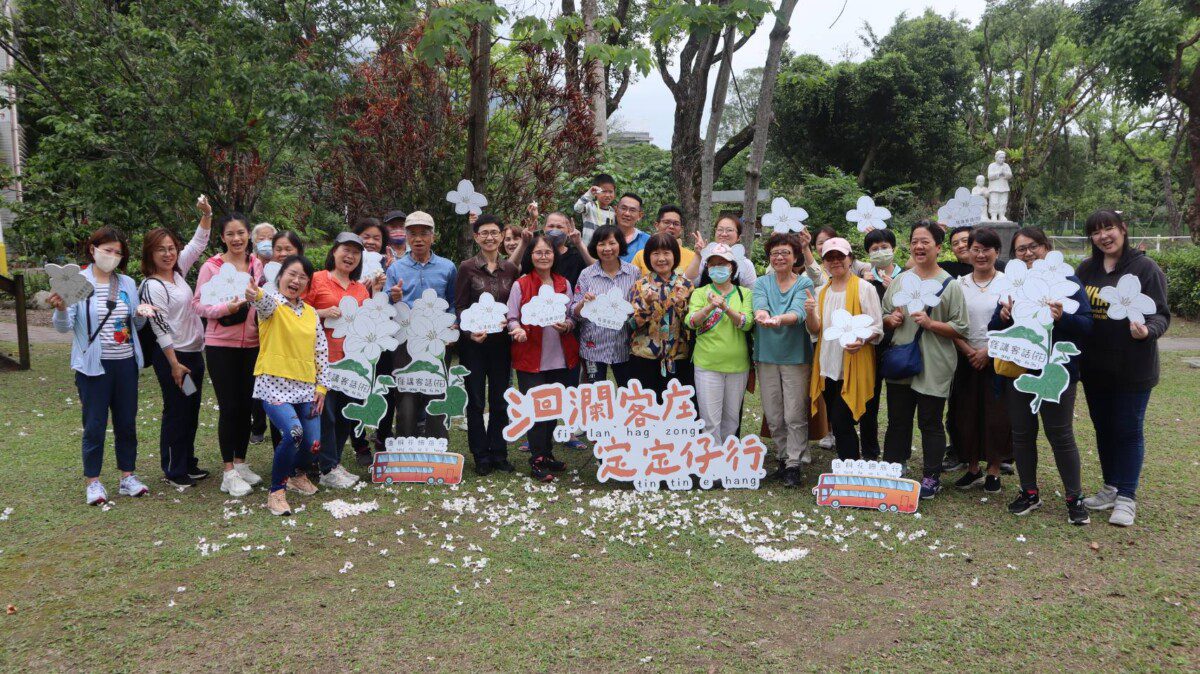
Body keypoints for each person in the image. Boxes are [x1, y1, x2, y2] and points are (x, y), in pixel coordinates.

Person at [991, 227, 1092, 525]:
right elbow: (994, 328)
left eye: (1033, 246)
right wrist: (1003, 316)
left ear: (1047, 248)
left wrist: (1064, 317)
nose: (1028, 253)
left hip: (1056, 372)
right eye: (1021, 249)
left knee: (1060, 434)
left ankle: (1075, 498)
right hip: (1019, 371)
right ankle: (1029, 492)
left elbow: (1086, 326)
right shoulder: (1013, 284)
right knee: (1022, 434)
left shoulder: (1067, 281)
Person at [1075, 210, 1170, 527]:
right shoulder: (1086, 269)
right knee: (1104, 429)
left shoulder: (1145, 268)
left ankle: (1127, 498)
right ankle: (1111, 487)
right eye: (1096, 231)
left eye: (1109, 228)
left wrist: (1147, 331)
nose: (1104, 236)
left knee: (1128, 430)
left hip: (1133, 369)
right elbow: (1073, 307)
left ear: (1123, 230)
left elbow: (1160, 315)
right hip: (1095, 367)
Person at [50, 226, 153, 505]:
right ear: (92, 249)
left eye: (118, 252)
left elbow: (134, 324)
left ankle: (127, 477)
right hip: (93, 366)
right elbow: (63, 327)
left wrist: (142, 314)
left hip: (126, 364)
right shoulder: (75, 281)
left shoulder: (128, 284)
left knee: (126, 423)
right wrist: (60, 308)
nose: (113, 256)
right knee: (94, 425)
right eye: (107, 250)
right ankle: (93, 482)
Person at [880, 221, 969, 499]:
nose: (919, 246)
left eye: (925, 242)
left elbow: (960, 327)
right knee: (898, 419)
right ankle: (894, 466)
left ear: (939, 248)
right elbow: (883, 314)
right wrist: (890, 320)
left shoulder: (949, 285)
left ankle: (931, 476)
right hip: (901, 360)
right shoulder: (900, 280)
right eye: (915, 241)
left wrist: (931, 324)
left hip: (935, 362)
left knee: (930, 421)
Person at [246, 255, 329, 516]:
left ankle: (296, 475)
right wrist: (255, 292)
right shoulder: (272, 306)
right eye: (291, 274)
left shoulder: (311, 313)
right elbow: (263, 301)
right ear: (280, 276)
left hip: (306, 386)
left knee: (314, 443)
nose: (296, 280)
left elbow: (321, 352)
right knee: (294, 433)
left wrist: (322, 388)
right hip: (273, 384)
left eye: (303, 277)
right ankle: (276, 491)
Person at [138, 195, 213, 488]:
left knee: (191, 409)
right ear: (150, 254)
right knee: (177, 409)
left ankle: (188, 462)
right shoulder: (152, 286)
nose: (168, 254)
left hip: (193, 352)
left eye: (171, 248)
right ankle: (173, 469)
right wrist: (174, 364)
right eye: (161, 250)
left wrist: (206, 214)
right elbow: (159, 329)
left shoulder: (178, 271)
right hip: (173, 356)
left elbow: (197, 244)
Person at [193, 213, 266, 498]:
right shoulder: (211, 267)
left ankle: (241, 463)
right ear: (222, 237)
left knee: (248, 406)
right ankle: (228, 472)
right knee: (229, 407)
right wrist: (227, 309)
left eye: (241, 233)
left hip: (253, 345)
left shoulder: (257, 265)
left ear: (249, 235)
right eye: (230, 234)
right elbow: (198, 305)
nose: (237, 239)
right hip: (220, 345)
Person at [805, 237, 884, 471]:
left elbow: (877, 327)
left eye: (841, 256)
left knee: (841, 419)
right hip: (828, 365)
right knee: (838, 420)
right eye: (830, 257)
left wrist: (862, 340)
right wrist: (809, 313)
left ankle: (851, 466)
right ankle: (849, 463)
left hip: (855, 364)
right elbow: (815, 330)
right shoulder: (821, 291)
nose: (836, 261)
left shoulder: (864, 288)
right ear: (824, 263)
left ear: (850, 259)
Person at [305, 231, 377, 483]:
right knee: (327, 414)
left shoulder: (360, 290)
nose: (350, 256)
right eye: (345, 250)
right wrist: (322, 312)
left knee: (347, 414)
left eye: (356, 253)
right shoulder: (316, 279)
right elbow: (296, 312)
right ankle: (325, 467)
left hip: (353, 363)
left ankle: (333, 463)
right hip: (324, 359)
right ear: (333, 251)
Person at [507, 233, 579, 482]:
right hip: (531, 357)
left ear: (555, 255)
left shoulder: (563, 283)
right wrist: (515, 329)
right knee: (536, 409)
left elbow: (572, 315)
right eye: (538, 252)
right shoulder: (521, 284)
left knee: (553, 408)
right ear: (531, 255)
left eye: (548, 252)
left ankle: (546, 454)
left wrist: (568, 324)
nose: (543, 256)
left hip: (560, 356)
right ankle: (536, 459)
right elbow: (512, 316)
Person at [455, 214, 519, 476]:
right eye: (484, 233)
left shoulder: (511, 270)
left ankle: (499, 452)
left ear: (502, 236)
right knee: (476, 400)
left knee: (500, 399)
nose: (490, 237)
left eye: (495, 232)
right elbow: (459, 306)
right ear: (476, 236)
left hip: (502, 344)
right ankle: (480, 454)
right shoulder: (466, 267)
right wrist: (469, 332)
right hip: (475, 345)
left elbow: (515, 305)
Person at [384, 211, 457, 439]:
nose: (418, 239)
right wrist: (392, 297)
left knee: (437, 391)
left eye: (424, 233)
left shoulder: (447, 267)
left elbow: (453, 304)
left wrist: (453, 326)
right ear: (406, 237)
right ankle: (406, 445)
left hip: (437, 341)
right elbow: (385, 303)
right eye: (412, 234)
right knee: (406, 393)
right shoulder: (395, 269)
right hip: (405, 341)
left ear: (432, 237)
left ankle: (437, 446)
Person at [947, 227, 1010, 493]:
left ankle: (994, 470)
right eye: (976, 249)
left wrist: (988, 352)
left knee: (997, 416)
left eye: (987, 249)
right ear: (968, 251)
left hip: (998, 359)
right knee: (966, 413)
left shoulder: (1007, 283)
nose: (981, 254)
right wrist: (967, 350)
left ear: (997, 252)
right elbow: (950, 321)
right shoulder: (958, 284)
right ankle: (972, 468)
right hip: (965, 357)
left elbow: (1014, 324)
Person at [752, 233, 816, 487]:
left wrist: (778, 319)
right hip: (766, 356)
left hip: (795, 357)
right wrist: (762, 314)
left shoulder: (803, 284)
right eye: (775, 253)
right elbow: (759, 305)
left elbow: (799, 313)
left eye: (785, 253)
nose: (779, 257)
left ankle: (794, 463)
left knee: (794, 413)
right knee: (774, 413)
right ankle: (781, 455)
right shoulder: (761, 282)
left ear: (795, 256)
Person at [688, 243, 754, 442]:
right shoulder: (700, 293)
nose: (718, 268)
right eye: (713, 264)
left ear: (732, 267)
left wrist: (726, 308)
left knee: (732, 420)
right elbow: (690, 322)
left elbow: (747, 323)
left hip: (738, 366)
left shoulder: (744, 293)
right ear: (707, 268)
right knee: (710, 420)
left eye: (723, 264)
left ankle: (728, 462)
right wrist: (709, 307)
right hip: (707, 365)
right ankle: (712, 465)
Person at [573, 224, 640, 387]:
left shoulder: (634, 273)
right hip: (593, 346)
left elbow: (639, 307)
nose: (607, 248)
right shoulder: (587, 274)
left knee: (628, 394)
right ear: (595, 247)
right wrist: (583, 303)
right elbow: (574, 312)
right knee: (596, 396)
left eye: (612, 243)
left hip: (623, 346)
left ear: (620, 245)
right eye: (601, 244)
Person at [628, 233, 695, 394]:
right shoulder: (640, 285)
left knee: (675, 410)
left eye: (666, 253)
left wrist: (681, 305)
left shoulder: (686, 285)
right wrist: (647, 305)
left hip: (678, 358)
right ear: (648, 257)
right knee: (646, 409)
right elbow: (631, 324)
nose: (661, 258)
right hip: (644, 358)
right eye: (655, 253)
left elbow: (693, 324)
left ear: (675, 256)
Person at [630, 205, 699, 277]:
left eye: (676, 224)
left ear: (681, 229)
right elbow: (631, 282)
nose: (671, 226)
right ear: (656, 225)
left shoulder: (693, 257)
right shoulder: (641, 255)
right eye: (666, 222)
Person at [695, 215, 757, 286]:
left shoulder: (746, 264)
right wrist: (698, 255)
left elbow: (752, 291)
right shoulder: (704, 258)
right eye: (720, 230)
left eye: (729, 230)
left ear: (738, 237)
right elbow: (690, 281)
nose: (724, 234)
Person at [573, 172, 617, 246]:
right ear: (596, 192)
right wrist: (589, 194)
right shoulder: (590, 206)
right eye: (604, 191)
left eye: (610, 192)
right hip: (588, 250)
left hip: (605, 250)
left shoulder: (612, 211)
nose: (608, 195)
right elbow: (577, 208)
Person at [615, 193, 651, 263]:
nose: (627, 213)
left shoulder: (648, 241)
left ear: (640, 216)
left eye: (632, 210)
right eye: (623, 208)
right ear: (616, 210)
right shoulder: (603, 236)